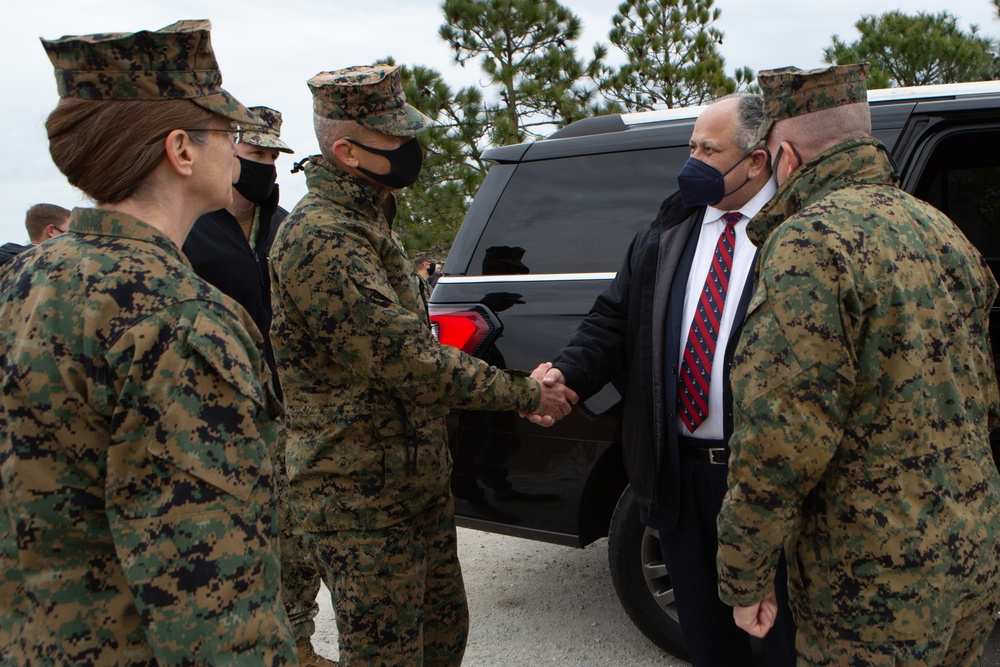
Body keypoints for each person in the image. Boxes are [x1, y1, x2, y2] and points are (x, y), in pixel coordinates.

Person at [0, 20, 297, 664]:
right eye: (228, 135)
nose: (240, 153)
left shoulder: (21, 279)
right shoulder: (182, 319)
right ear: (181, 150)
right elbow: (213, 595)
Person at [268, 63, 577, 667]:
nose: (411, 149)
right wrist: (523, 393)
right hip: (358, 496)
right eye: (395, 139)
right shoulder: (323, 238)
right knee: (388, 655)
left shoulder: (369, 221)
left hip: (409, 481)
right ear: (346, 150)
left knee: (439, 640)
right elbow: (403, 358)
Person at [716, 64, 1000, 666]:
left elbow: (777, 443)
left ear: (785, 157)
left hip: (871, 592)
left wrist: (744, 578)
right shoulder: (943, 232)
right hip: (969, 564)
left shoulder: (809, 244)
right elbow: (982, 401)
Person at [531, 93, 796, 667]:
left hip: (766, 479)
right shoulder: (672, 222)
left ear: (755, 162)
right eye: (691, 146)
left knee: (782, 643)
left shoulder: (796, 233)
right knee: (706, 639)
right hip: (678, 474)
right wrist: (565, 373)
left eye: (708, 149)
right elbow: (613, 319)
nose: (692, 161)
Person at [181, 105, 334, 667]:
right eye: (255, 155)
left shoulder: (285, 224)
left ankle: (297, 642)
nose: (266, 166)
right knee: (231, 535)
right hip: (218, 409)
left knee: (296, 536)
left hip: (288, 405)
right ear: (228, 155)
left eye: (274, 156)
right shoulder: (190, 227)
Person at [0, 203, 71, 266]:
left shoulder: (11, 263)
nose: (75, 238)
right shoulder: (50, 267)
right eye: (70, 232)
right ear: (51, 230)